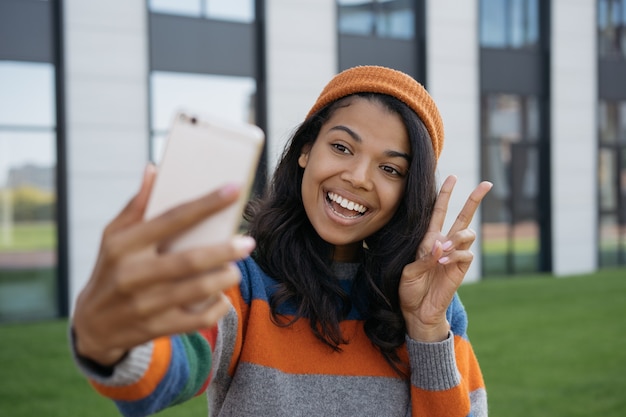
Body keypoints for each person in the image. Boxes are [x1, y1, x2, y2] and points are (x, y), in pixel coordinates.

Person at [70, 65, 492, 417]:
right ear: (305, 149)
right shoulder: (240, 278)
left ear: (407, 191)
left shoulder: (431, 302)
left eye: (391, 169)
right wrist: (108, 339)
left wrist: (425, 327)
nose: (359, 178)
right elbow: (168, 372)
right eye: (342, 147)